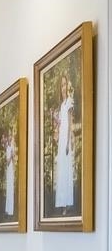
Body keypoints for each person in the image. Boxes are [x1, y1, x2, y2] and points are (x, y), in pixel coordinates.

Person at [53, 75, 75, 212]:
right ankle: (61, 202)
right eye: (61, 85)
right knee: (61, 170)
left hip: (66, 140)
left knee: (66, 169)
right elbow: (60, 124)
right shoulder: (61, 105)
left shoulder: (69, 102)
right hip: (61, 139)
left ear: (68, 86)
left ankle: (67, 203)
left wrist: (68, 142)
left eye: (65, 84)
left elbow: (70, 124)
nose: (63, 87)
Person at [3, 130, 16, 218]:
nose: (9, 139)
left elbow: (11, 161)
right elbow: (7, 161)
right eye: (8, 137)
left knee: (10, 188)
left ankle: (10, 211)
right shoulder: (7, 148)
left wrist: (12, 155)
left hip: (11, 169)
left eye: (10, 138)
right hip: (8, 170)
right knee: (8, 189)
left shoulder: (11, 148)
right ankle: (7, 210)